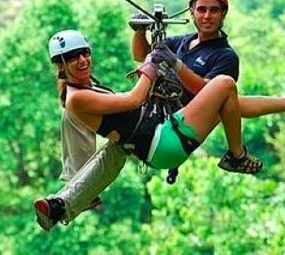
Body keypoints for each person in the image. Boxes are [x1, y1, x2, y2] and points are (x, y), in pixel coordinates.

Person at [34, 30, 262, 231]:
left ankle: (62, 204)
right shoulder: (78, 98)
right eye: (73, 57)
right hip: (163, 141)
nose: (83, 60)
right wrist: (150, 67)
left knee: (114, 150)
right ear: (61, 65)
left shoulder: (87, 89)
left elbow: (234, 107)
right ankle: (237, 155)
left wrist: (143, 40)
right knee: (223, 85)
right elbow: (134, 99)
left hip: (153, 136)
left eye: (85, 53)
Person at [131, 0, 285, 124]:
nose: (207, 16)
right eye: (201, 10)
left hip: (186, 118)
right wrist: (140, 31)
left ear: (223, 13)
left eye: (214, 10)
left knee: (227, 98)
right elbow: (141, 55)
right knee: (236, 102)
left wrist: (176, 64)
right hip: (162, 107)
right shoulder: (182, 41)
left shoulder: (225, 56)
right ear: (191, 12)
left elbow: (208, 92)